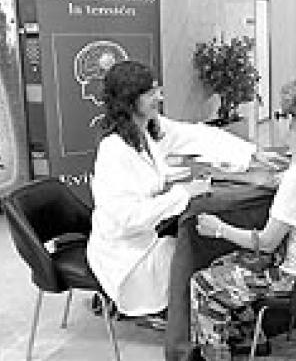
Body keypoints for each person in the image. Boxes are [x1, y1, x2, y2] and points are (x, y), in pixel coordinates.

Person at [175, 80, 296, 361]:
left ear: (291, 120)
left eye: (279, 114)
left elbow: (266, 242)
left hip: (294, 277)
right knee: (227, 264)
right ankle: (251, 336)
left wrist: (218, 228)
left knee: (204, 284)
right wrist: (220, 174)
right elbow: (273, 181)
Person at [88, 61, 257, 319]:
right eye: (150, 93)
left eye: (158, 89)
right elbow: (126, 219)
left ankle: (213, 320)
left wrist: (252, 153)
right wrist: (183, 194)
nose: (159, 97)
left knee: (203, 241)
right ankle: (195, 326)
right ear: (129, 100)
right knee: (198, 253)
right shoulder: (114, 151)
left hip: (148, 237)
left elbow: (199, 136)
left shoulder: (149, 130)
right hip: (126, 256)